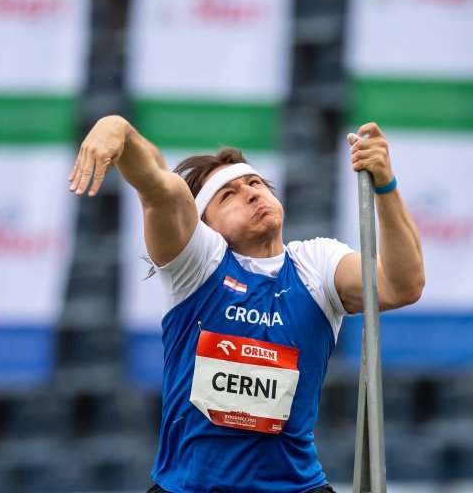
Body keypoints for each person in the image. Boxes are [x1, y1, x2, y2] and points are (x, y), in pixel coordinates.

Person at [68, 115, 424, 493]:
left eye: (255, 183)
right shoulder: (197, 263)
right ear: (202, 224)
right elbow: (160, 189)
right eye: (229, 195)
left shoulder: (315, 264)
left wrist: (385, 184)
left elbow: (402, 285)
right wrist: (117, 128)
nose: (253, 193)